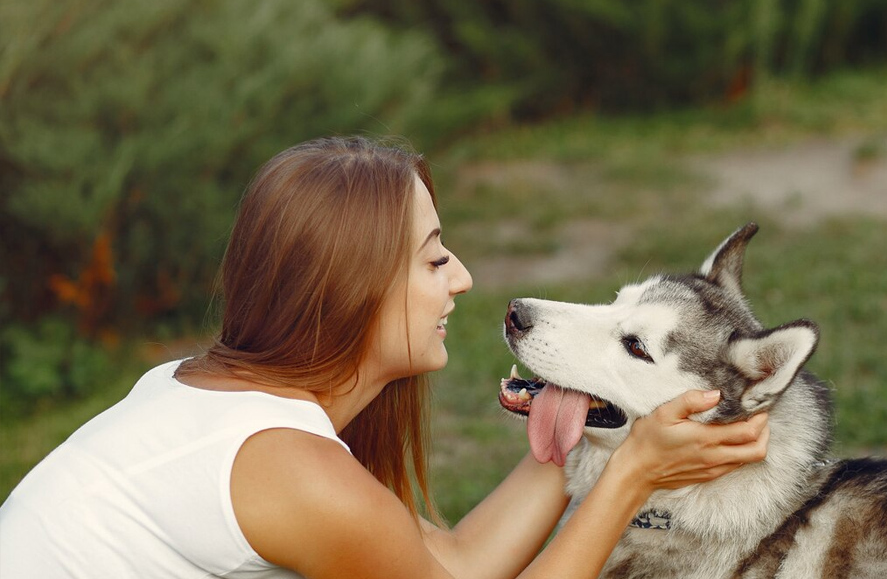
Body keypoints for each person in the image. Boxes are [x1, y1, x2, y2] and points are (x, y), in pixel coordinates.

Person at [0, 136, 769, 579]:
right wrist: (635, 472)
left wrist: (584, 420)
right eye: (435, 261)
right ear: (353, 290)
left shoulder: (215, 396)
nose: (464, 278)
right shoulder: (291, 471)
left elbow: (456, 563)